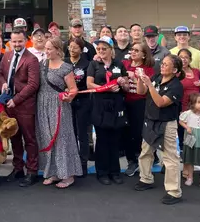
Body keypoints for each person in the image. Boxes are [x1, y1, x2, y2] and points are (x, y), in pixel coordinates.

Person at [134, 55, 184, 205]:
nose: (162, 66)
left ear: (175, 70)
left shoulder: (176, 86)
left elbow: (161, 102)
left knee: (169, 157)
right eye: (162, 63)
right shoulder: (156, 77)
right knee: (145, 151)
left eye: (166, 64)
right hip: (150, 120)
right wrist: (140, 79)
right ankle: (146, 178)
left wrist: (150, 85)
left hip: (166, 123)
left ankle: (174, 191)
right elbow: (140, 92)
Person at [0, 27, 40, 187]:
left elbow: (33, 84)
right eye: (14, 41)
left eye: (20, 41)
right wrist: (3, 84)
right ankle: (18, 168)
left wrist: (17, 99)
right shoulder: (7, 55)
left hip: (25, 106)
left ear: (26, 40)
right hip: (9, 105)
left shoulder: (32, 59)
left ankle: (32, 171)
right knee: (14, 138)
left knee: (29, 139)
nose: (17, 44)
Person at [37, 38, 81, 188]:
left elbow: (74, 89)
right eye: (46, 49)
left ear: (57, 50)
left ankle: (68, 175)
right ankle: (54, 172)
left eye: (49, 49)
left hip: (59, 105)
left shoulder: (66, 67)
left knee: (62, 139)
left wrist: (69, 95)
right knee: (47, 138)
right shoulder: (42, 64)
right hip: (42, 105)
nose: (46, 51)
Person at [86, 36, 129, 185]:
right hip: (100, 105)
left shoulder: (119, 64)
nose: (101, 51)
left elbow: (127, 86)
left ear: (111, 49)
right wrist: (105, 88)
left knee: (115, 139)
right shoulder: (94, 64)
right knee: (102, 140)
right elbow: (89, 84)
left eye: (104, 48)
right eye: (99, 48)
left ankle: (115, 171)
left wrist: (123, 83)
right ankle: (102, 172)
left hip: (116, 105)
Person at [123, 42, 156, 178]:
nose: (133, 52)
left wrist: (135, 76)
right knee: (126, 132)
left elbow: (147, 89)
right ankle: (131, 159)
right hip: (125, 102)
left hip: (140, 103)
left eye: (137, 50)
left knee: (138, 132)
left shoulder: (148, 69)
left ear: (144, 54)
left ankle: (138, 158)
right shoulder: (125, 64)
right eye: (132, 50)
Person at [65, 36, 95, 175]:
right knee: (70, 133)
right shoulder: (64, 63)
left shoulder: (87, 64)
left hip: (83, 101)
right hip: (67, 102)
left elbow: (87, 83)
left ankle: (83, 162)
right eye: (70, 47)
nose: (72, 50)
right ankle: (72, 162)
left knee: (82, 133)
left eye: (75, 47)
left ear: (81, 49)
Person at [179, 93, 200, 189]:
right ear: (192, 104)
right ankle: (190, 177)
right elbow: (181, 121)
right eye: (198, 102)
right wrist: (187, 127)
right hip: (191, 137)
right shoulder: (188, 113)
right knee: (190, 159)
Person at [176, 49, 200, 159]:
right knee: (183, 130)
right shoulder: (176, 73)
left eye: (186, 57)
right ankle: (183, 149)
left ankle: (195, 150)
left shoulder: (196, 71)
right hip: (182, 106)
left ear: (190, 59)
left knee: (196, 129)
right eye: (181, 57)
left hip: (196, 107)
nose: (184, 59)